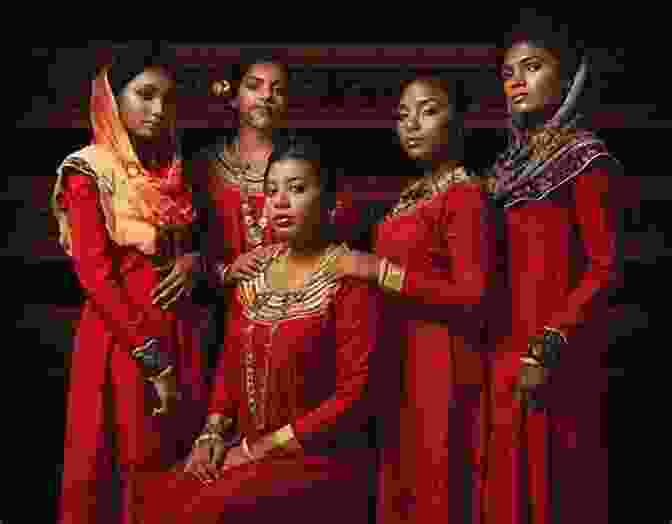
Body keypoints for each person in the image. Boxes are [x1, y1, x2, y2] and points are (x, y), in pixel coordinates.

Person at [136, 135, 380, 524]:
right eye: (272, 190)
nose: (280, 201)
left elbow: (355, 396)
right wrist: (212, 434)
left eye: (297, 189)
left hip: (315, 457)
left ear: (330, 201)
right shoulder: (255, 275)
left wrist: (259, 448)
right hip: (247, 449)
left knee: (203, 510)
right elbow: (230, 365)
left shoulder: (349, 277)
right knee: (157, 497)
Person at [52, 42, 207, 524]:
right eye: (144, 95)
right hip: (122, 339)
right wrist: (151, 359)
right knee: (121, 462)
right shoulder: (89, 170)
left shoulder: (170, 170)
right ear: (112, 98)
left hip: (179, 331)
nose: (158, 110)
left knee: (171, 467)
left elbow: (190, 246)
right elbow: (95, 277)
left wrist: (193, 262)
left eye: (166, 99)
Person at [334, 75, 494, 523]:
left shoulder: (464, 195)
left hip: (441, 358)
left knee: (436, 484)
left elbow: (473, 295)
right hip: (399, 354)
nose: (412, 124)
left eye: (427, 110)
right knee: (401, 482)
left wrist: (378, 270)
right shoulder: (412, 195)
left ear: (456, 119)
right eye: (403, 115)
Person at [483, 14, 620, 524]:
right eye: (508, 72)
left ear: (565, 77)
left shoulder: (586, 159)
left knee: (549, 493)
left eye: (533, 67)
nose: (516, 81)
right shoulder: (503, 172)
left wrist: (552, 339)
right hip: (499, 351)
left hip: (554, 354)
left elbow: (604, 266)